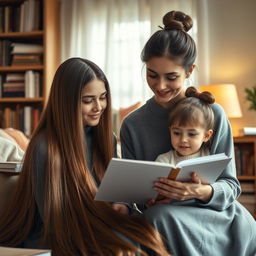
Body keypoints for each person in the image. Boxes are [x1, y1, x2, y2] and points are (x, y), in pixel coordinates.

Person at [0, 58, 169, 256]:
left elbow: (115, 192)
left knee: (150, 236)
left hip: (100, 222)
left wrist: (121, 205)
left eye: (103, 97)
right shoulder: (44, 147)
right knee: (123, 247)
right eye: (88, 100)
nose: (99, 106)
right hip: (60, 233)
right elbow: (54, 221)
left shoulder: (107, 138)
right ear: (67, 102)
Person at [120, 10, 256, 256]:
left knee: (160, 218)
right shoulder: (132, 124)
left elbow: (231, 185)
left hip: (218, 218)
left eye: (171, 77)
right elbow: (134, 198)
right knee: (157, 217)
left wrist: (199, 191)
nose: (160, 86)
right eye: (152, 75)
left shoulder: (213, 113)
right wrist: (145, 199)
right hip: (164, 216)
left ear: (189, 71)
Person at [155, 86, 214, 165]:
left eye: (191, 134)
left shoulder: (211, 158)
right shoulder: (163, 161)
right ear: (170, 131)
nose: (183, 139)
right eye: (177, 133)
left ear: (206, 136)